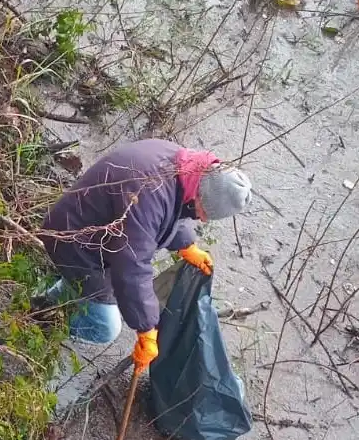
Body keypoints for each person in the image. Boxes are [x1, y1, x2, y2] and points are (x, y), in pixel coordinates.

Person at [40, 139, 252, 371]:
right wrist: (146, 328)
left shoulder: (181, 167)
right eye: (205, 213)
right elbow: (132, 265)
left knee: (87, 292)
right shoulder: (150, 192)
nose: (202, 219)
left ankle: (47, 300)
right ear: (201, 194)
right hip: (72, 240)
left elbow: (172, 209)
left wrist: (186, 245)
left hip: (93, 237)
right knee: (105, 326)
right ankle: (40, 323)